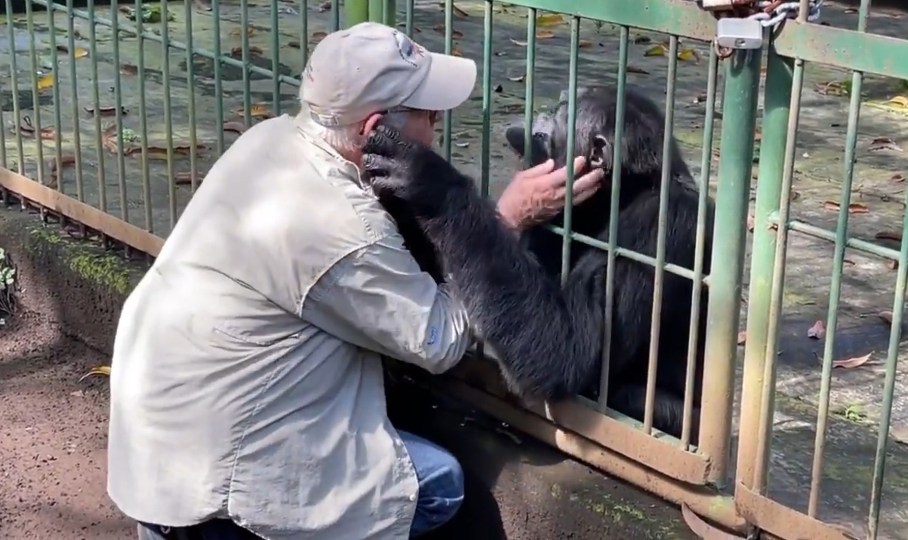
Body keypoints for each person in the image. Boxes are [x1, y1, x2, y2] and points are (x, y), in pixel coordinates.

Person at [107, 21, 604, 540]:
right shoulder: (345, 228)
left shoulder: (270, 139)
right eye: (428, 112)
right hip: (218, 491)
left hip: (154, 457)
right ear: (374, 132)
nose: (437, 121)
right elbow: (442, 340)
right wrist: (502, 220)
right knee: (444, 487)